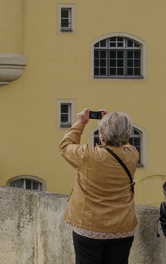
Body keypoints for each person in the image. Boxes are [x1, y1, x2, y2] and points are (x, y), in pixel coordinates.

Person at [59, 109, 139, 264]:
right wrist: (115, 128)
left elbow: (65, 146)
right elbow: (123, 143)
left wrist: (81, 122)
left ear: (101, 135)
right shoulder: (133, 154)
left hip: (89, 228)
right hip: (122, 228)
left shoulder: (87, 155)